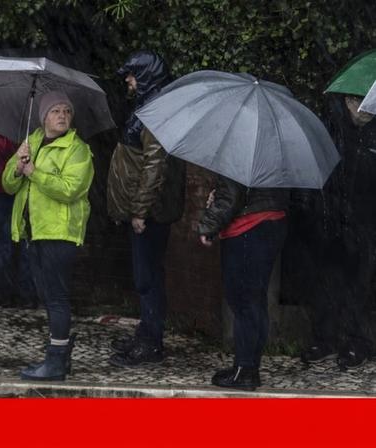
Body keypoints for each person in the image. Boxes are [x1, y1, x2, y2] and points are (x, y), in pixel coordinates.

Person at [2, 91, 94, 381]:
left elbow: (71, 189)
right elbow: (7, 185)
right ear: (43, 117)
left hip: (60, 233)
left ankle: (55, 362)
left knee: (56, 298)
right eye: (56, 111)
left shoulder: (77, 149)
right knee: (46, 295)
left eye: (67, 111)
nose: (63, 116)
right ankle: (61, 354)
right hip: (35, 232)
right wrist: (18, 167)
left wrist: (34, 172)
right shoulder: (32, 142)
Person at [107, 51, 186, 367]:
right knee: (146, 275)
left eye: (132, 74)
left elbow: (155, 165)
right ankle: (146, 333)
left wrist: (140, 210)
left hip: (150, 214)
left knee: (148, 277)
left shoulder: (156, 114)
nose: (127, 80)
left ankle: (151, 342)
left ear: (146, 77)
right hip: (146, 211)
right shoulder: (149, 109)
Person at [293, 94, 376, 369]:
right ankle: (324, 339)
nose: (358, 108)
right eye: (353, 101)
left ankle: (357, 343)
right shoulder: (332, 123)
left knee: (360, 286)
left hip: (366, 223)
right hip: (330, 220)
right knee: (326, 284)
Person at [198, 176, 289, 391]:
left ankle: (245, 369)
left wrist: (209, 225)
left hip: (249, 227)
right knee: (255, 299)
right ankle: (248, 366)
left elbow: (232, 194)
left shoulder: (237, 148)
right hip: (271, 221)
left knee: (243, 300)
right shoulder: (269, 149)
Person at [0, 131, 36, 308]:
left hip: (23, 190)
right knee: (5, 243)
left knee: (25, 242)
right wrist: (17, 145)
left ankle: (26, 294)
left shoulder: (33, 132)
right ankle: (4, 294)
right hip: (0, 191)